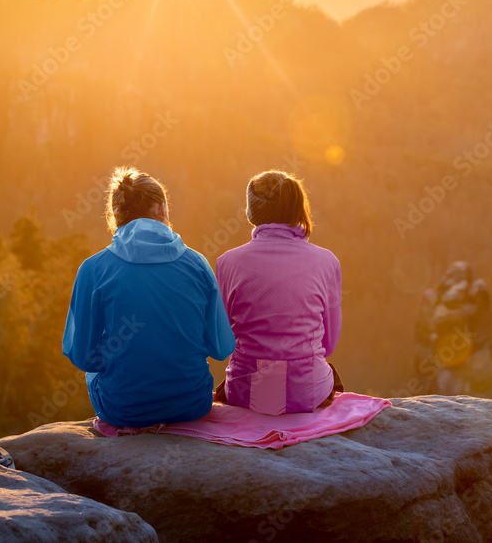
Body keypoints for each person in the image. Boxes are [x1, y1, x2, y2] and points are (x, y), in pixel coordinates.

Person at [62, 167, 235, 428]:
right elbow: (221, 348)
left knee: (93, 376)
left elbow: (83, 356)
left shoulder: (93, 268)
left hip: (123, 410)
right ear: (162, 209)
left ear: (116, 215)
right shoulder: (197, 263)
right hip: (192, 405)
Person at [214, 170, 343, 415]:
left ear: (252, 212)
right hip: (306, 392)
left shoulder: (227, 262)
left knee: (236, 382)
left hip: (248, 392)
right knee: (329, 373)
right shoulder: (327, 261)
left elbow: (223, 342)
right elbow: (329, 343)